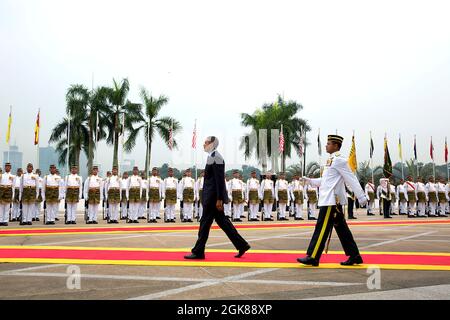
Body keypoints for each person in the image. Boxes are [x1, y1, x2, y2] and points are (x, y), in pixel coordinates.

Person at [298, 134, 367, 267]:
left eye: (328, 143)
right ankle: (355, 255)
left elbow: (350, 178)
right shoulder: (330, 160)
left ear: (336, 146)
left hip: (331, 201)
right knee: (342, 230)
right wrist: (309, 181)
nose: (326, 145)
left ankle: (313, 256)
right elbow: (325, 181)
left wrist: (361, 196)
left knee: (321, 228)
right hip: (329, 199)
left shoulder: (339, 160)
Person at [185, 136, 250, 260]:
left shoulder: (217, 157)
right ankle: (242, 245)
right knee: (223, 222)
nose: (203, 144)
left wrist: (219, 199)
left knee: (204, 224)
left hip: (213, 198)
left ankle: (198, 252)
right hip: (212, 197)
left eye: (206, 142)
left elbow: (220, 180)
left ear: (212, 144)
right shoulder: (212, 157)